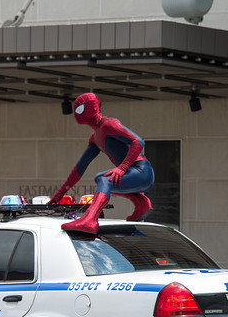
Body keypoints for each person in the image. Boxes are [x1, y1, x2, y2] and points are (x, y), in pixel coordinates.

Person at [49, 93, 154, 233]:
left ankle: (90, 220)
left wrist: (122, 168)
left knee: (105, 180)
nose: (78, 112)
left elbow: (138, 142)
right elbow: (80, 167)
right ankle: (141, 203)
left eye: (80, 108)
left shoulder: (109, 124)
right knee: (100, 178)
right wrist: (60, 193)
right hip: (137, 173)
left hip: (142, 171)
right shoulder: (96, 137)